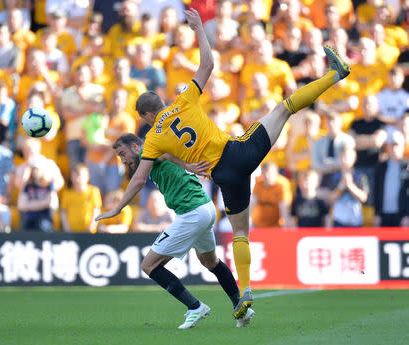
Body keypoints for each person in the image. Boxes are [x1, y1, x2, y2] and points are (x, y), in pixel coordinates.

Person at [96, 8, 351, 320]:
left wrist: (117, 208)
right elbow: (209, 64)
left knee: (241, 233)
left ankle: (245, 292)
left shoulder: (152, 140)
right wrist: (199, 27)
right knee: (284, 108)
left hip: (223, 177)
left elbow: (138, 180)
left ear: (147, 117)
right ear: (159, 104)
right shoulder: (184, 99)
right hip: (238, 153)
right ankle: (334, 75)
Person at [98, 133, 253, 329]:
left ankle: (195, 307)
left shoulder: (149, 151)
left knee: (149, 265)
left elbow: (141, 178)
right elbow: (169, 155)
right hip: (204, 208)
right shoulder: (158, 150)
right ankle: (242, 308)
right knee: (210, 261)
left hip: (192, 213)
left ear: (136, 148)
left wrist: (117, 208)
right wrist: (188, 165)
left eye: (122, 153)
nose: (123, 160)